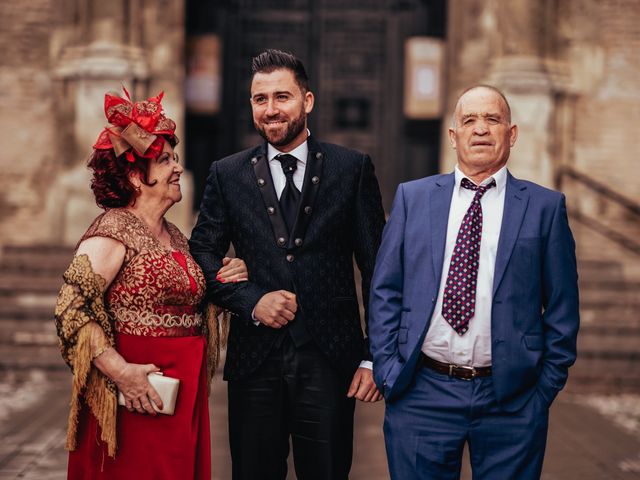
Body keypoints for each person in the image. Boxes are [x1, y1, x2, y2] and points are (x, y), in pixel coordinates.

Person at [189, 49, 386, 480]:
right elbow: (199, 256)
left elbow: (378, 269)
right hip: (254, 361)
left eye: (282, 97)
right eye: (260, 99)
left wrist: (374, 357)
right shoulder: (227, 173)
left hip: (332, 359)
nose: (271, 109)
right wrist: (249, 299)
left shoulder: (351, 169)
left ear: (308, 100)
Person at [369, 85, 580, 479]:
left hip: (512, 401)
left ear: (512, 134)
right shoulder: (412, 198)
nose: (480, 129)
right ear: (453, 136)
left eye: (492, 119)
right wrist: (388, 370)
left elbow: (563, 308)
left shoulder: (545, 208)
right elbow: (386, 290)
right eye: (469, 120)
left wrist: (542, 391)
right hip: (422, 393)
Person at [54, 87, 248, 479]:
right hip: (135, 391)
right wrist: (122, 372)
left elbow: (186, 295)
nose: (177, 168)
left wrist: (227, 275)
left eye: (174, 158)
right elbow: (70, 310)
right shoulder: (112, 230)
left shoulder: (175, 235)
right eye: (164, 160)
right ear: (134, 176)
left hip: (181, 384)